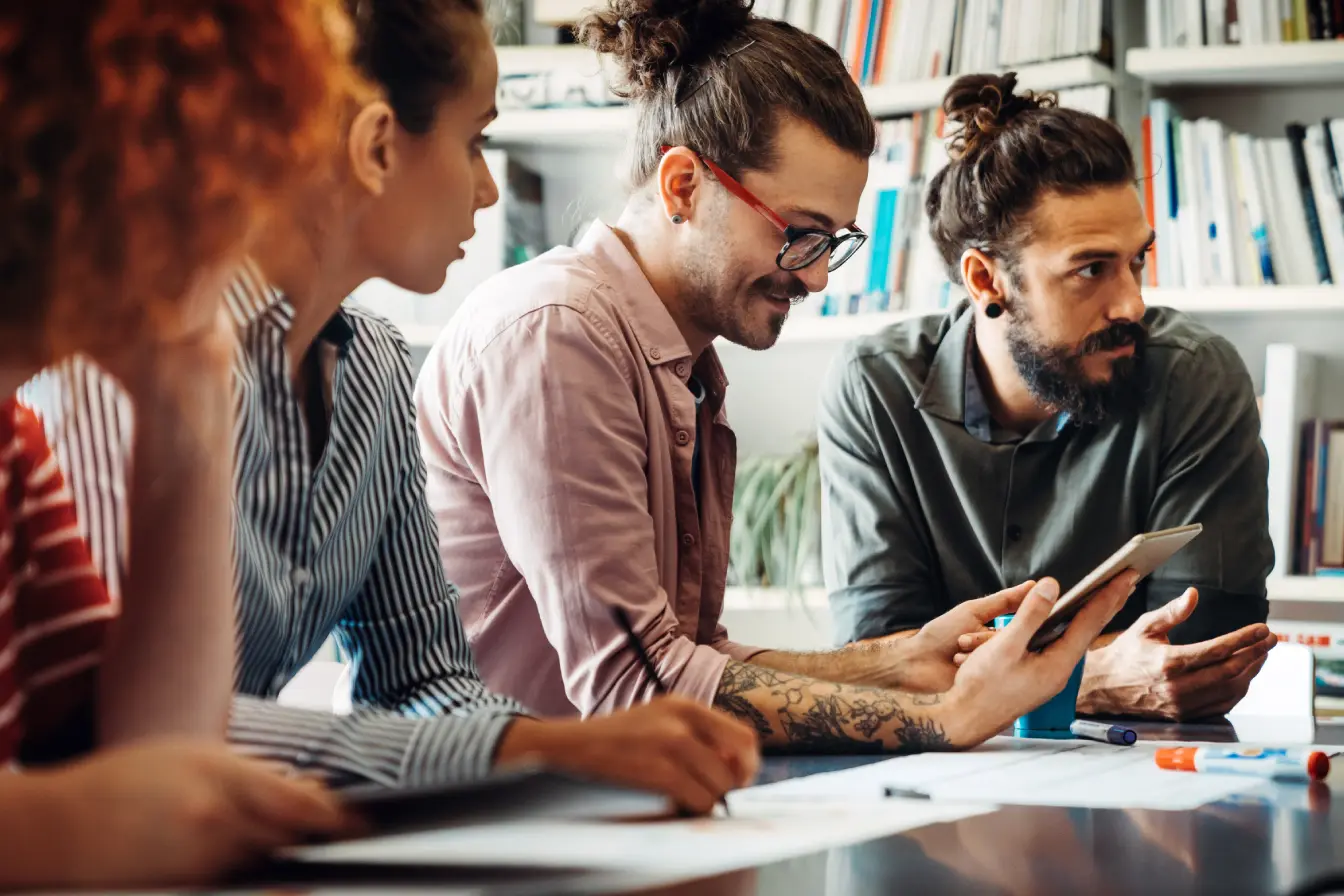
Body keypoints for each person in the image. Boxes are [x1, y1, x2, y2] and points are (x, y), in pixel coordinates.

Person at [26, 0, 758, 812]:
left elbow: (422, 680)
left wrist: (563, 762)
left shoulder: (374, 368)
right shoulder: (125, 366)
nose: (486, 190)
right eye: (474, 141)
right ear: (377, 144)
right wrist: (542, 748)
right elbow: (126, 727)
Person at [414, 0, 1136, 753]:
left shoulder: (682, 364)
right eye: (800, 234)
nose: (820, 277)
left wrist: (898, 662)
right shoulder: (558, 333)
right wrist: (945, 719)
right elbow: (634, 686)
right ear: (683, 185)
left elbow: (688, 658)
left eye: (835, 241)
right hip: (480, 821)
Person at [0, 0, 359, 889]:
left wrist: (190, 396)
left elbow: (151, 757)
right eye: (230, 179)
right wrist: (59, 829)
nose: (238, 232)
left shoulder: (12, 448)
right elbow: (109, 808)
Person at [817, 74, 1277, 722]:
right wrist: (1089, 677)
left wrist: (976, 676)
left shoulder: (1195, 378)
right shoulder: (875, 389)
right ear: (985, 279)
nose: (1132, 305)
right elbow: (874, 661)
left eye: (1136, 262)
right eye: (1091, 269)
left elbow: (1203, 659)